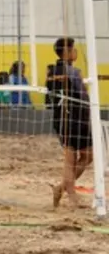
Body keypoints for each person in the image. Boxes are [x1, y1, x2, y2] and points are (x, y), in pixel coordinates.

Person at [47, 37, 93, 209]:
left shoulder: (73, 71)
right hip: (67, 118)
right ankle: (72, 196)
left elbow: (83, 95)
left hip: (81, 118)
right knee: (70, 158)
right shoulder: (57, 70)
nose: (76, 52)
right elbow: (52, 89)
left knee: (88, 155)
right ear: (67, 51)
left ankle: (61, 188)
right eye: (73, 49)